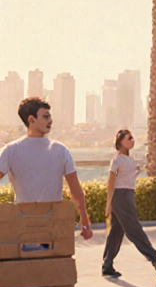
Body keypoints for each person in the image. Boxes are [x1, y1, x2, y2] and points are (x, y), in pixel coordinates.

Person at [0, 98, 92, 241]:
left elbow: (75, 189)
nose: (50, 120)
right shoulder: (60, 150)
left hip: (26, 223)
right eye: (45, 116)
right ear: (31, 120)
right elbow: (75, 190)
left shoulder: (10, 150)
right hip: (52, 223)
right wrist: (85, 220)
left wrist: (84, 218)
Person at [102, 129, 156, 278]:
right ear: (120, 141)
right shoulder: (117, 160)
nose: (132, 140)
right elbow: (111, 182)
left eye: (132, 138)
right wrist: (109, 203)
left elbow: (127, 177)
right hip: (121, 196)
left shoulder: (130, 159)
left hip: (128, 194)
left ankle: (107, 265)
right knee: (134, 230)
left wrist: (138, 171)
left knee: (116, 232)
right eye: (129, 138)